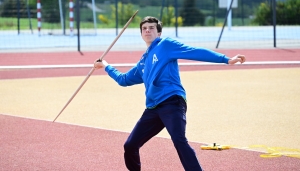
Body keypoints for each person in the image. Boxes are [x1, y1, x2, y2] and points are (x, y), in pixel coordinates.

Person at [94, 16, 246, 171]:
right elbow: (124, 80)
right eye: (144, 28)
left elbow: (194, 52)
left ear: (158, 33)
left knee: (179, 140)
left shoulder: (165, 45)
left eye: (152, 27)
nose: (147, 30)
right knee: (130, 145)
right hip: (153, 109)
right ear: (141, 34)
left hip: (172, 102)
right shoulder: (143, 62)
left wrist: (226, 60)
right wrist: (105, 65)